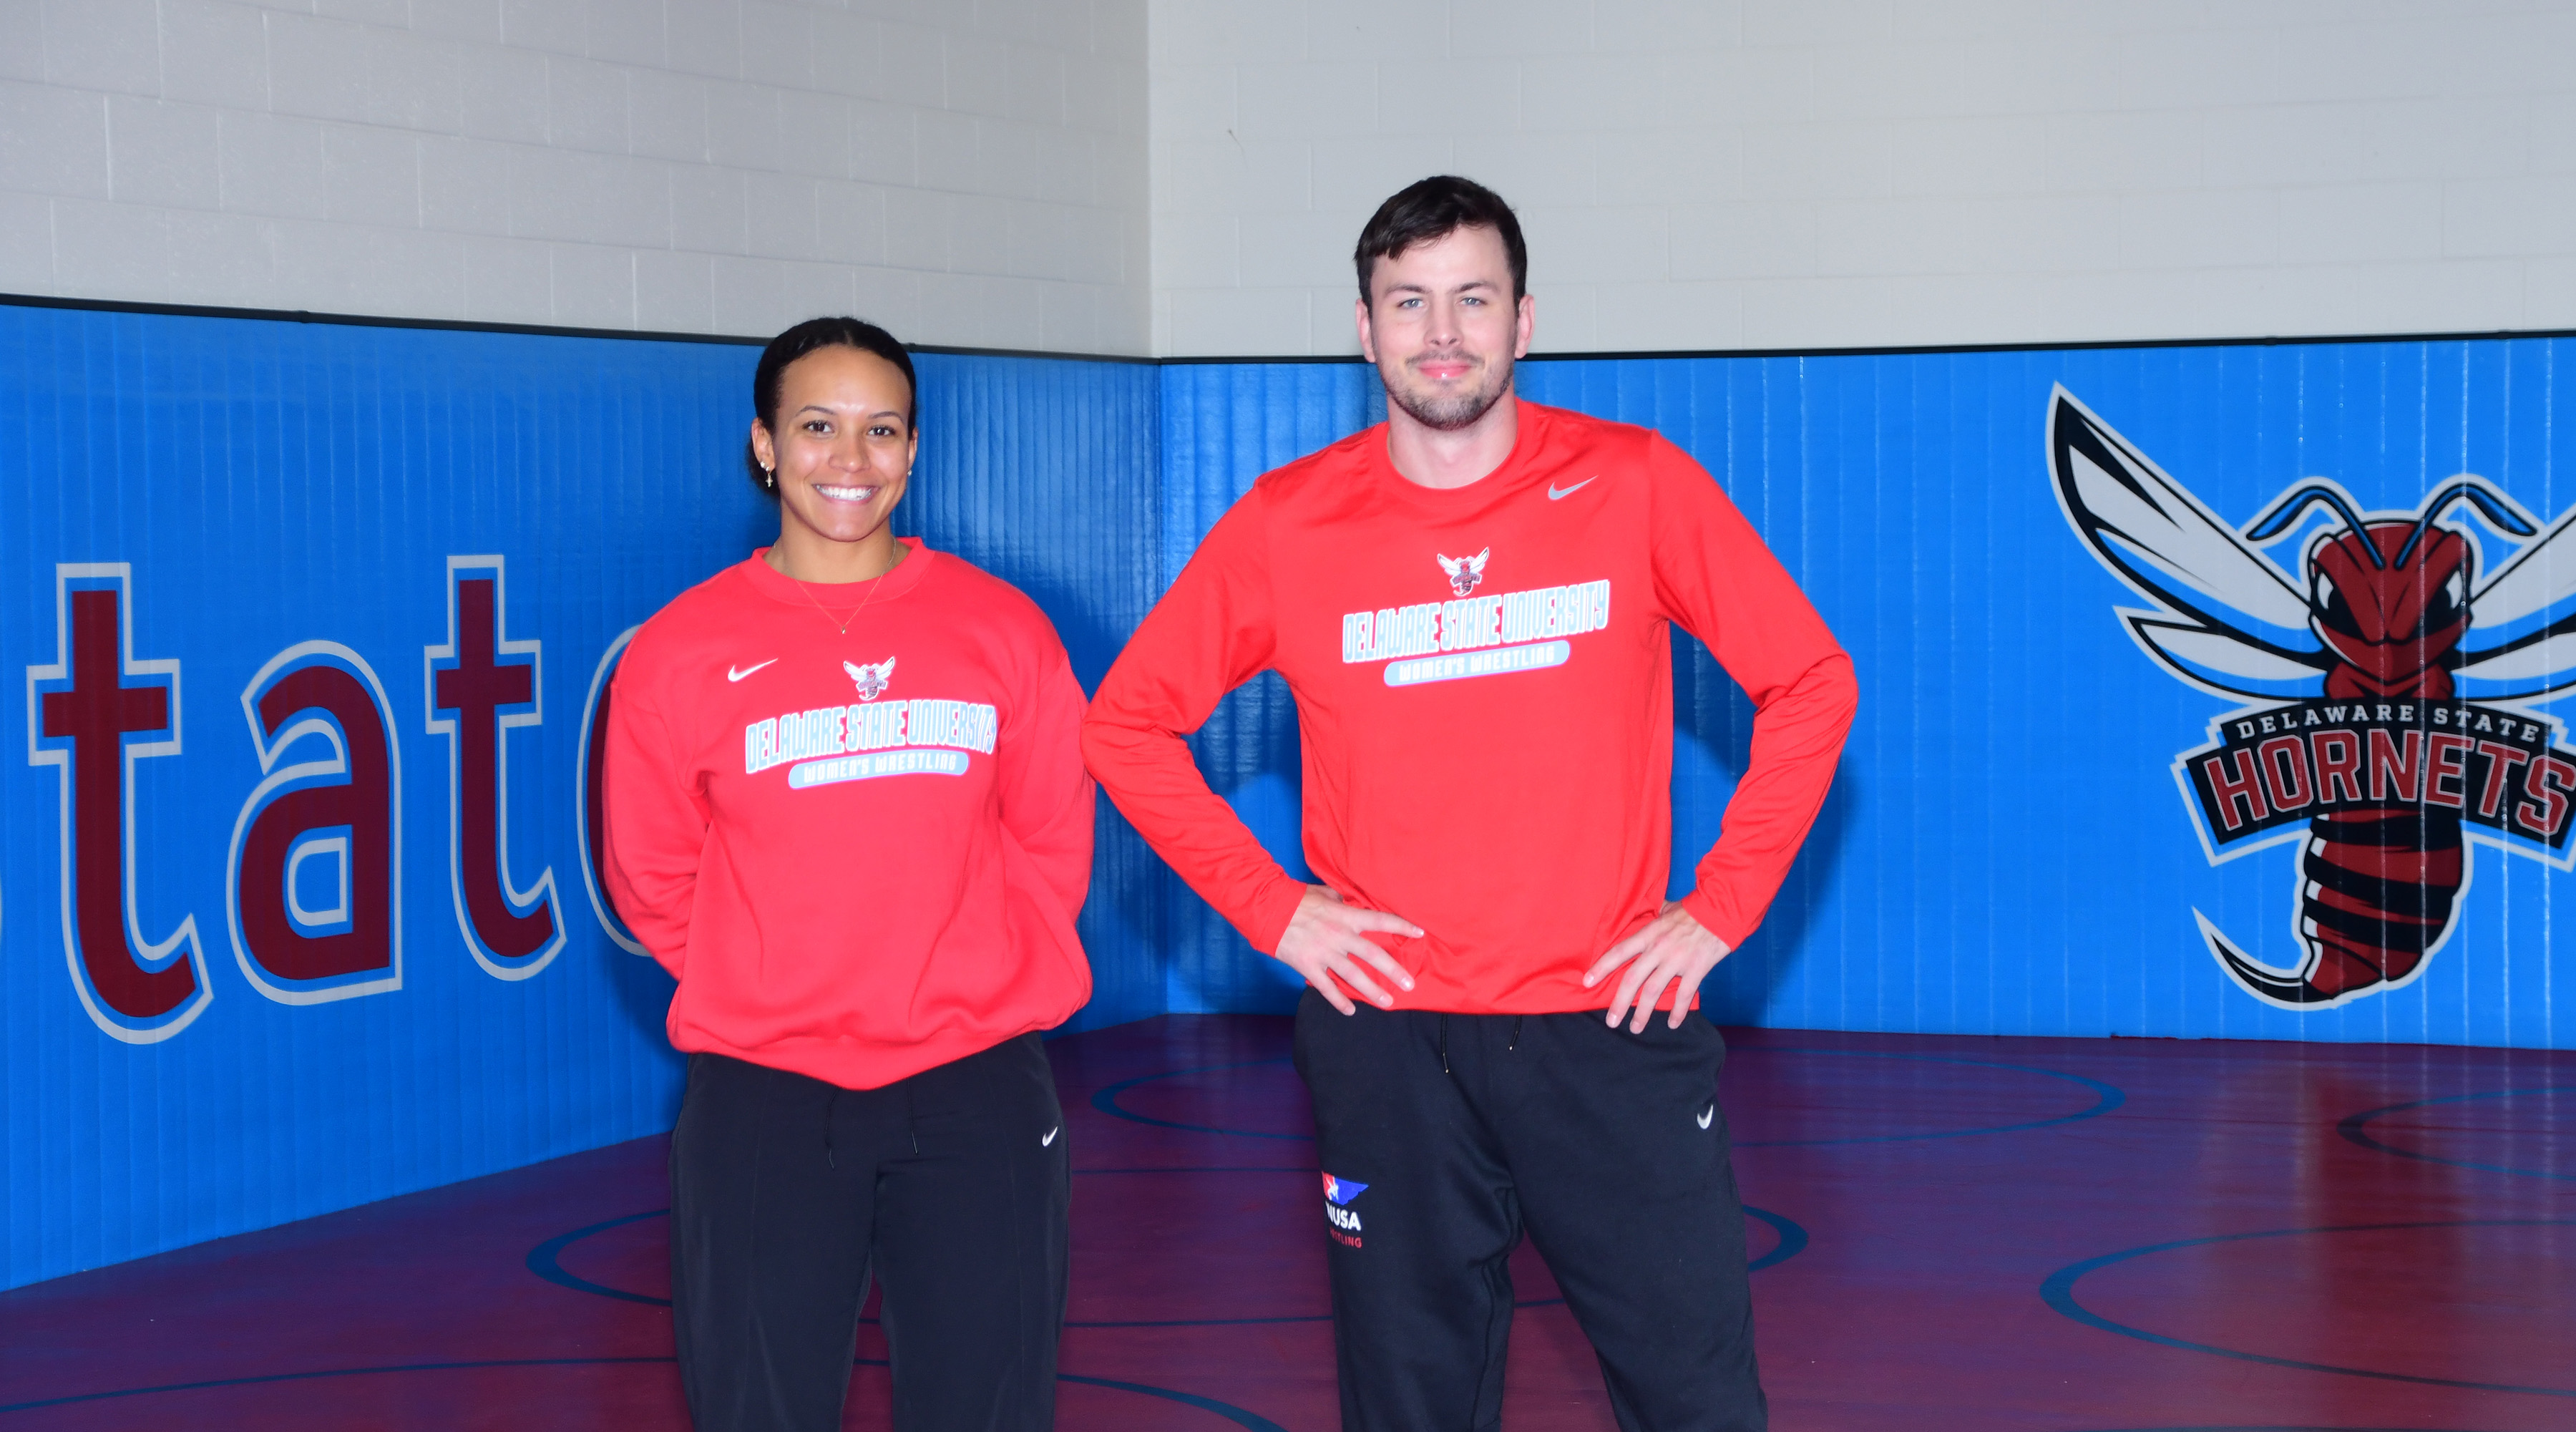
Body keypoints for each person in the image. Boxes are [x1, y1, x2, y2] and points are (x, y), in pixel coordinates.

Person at [1082, 177, 1856, 1431]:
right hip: (1389, 1040)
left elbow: (1812, 677)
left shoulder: (1636, 483)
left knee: (1695, 1397)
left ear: (1524, 320)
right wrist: (1276, 913)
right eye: (1410, 301)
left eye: (1472, 298)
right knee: (1411, 1404)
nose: (1443, 331)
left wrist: (1722, 905)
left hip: (1607, 1023)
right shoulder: (1290, 522)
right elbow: (1122, 724)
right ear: (1365, 327)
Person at [603, 316, 1094, 1431]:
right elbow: (652, 878)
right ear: (766, 446)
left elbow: (1054, 841)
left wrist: (961, 980)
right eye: (818, 426)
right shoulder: (681, 651)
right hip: (765, 1098)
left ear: (915, 450)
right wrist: (775, 986)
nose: (851, 459)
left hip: (976, 1087)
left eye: (881, 430)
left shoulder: (1002, 631)